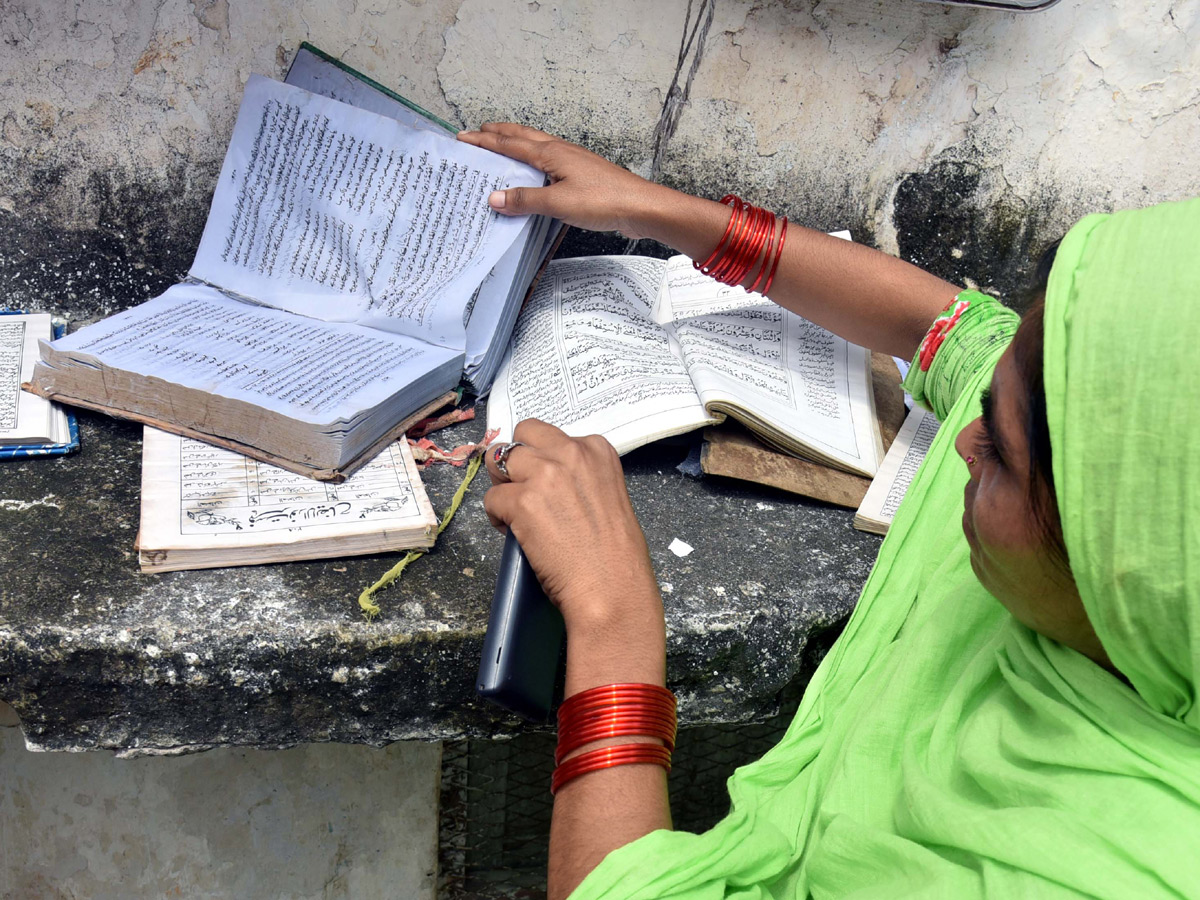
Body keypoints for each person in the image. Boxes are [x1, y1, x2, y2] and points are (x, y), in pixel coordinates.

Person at [458, 123, 1200, 900]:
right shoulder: (1113, 490)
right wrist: (657, 211)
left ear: (1128, 571)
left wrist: (613, 620)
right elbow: (954, 330)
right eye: (988, 409)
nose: (963, 445)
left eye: (1005, 454)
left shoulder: (1082, 868)